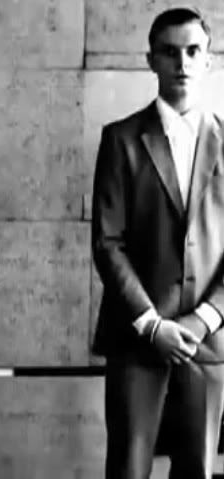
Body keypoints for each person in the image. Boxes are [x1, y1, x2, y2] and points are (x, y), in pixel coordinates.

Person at [92, 7, 224, 478]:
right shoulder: (121, 139)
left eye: (192, 51)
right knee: (128, 468)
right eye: (169, 52)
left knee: (196, 469)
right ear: (151, 60)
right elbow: (107, 243)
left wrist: (204, 319)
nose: (182, 63)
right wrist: (151, 326)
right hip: (137, 339)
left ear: (208, 59)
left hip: (207, 343)